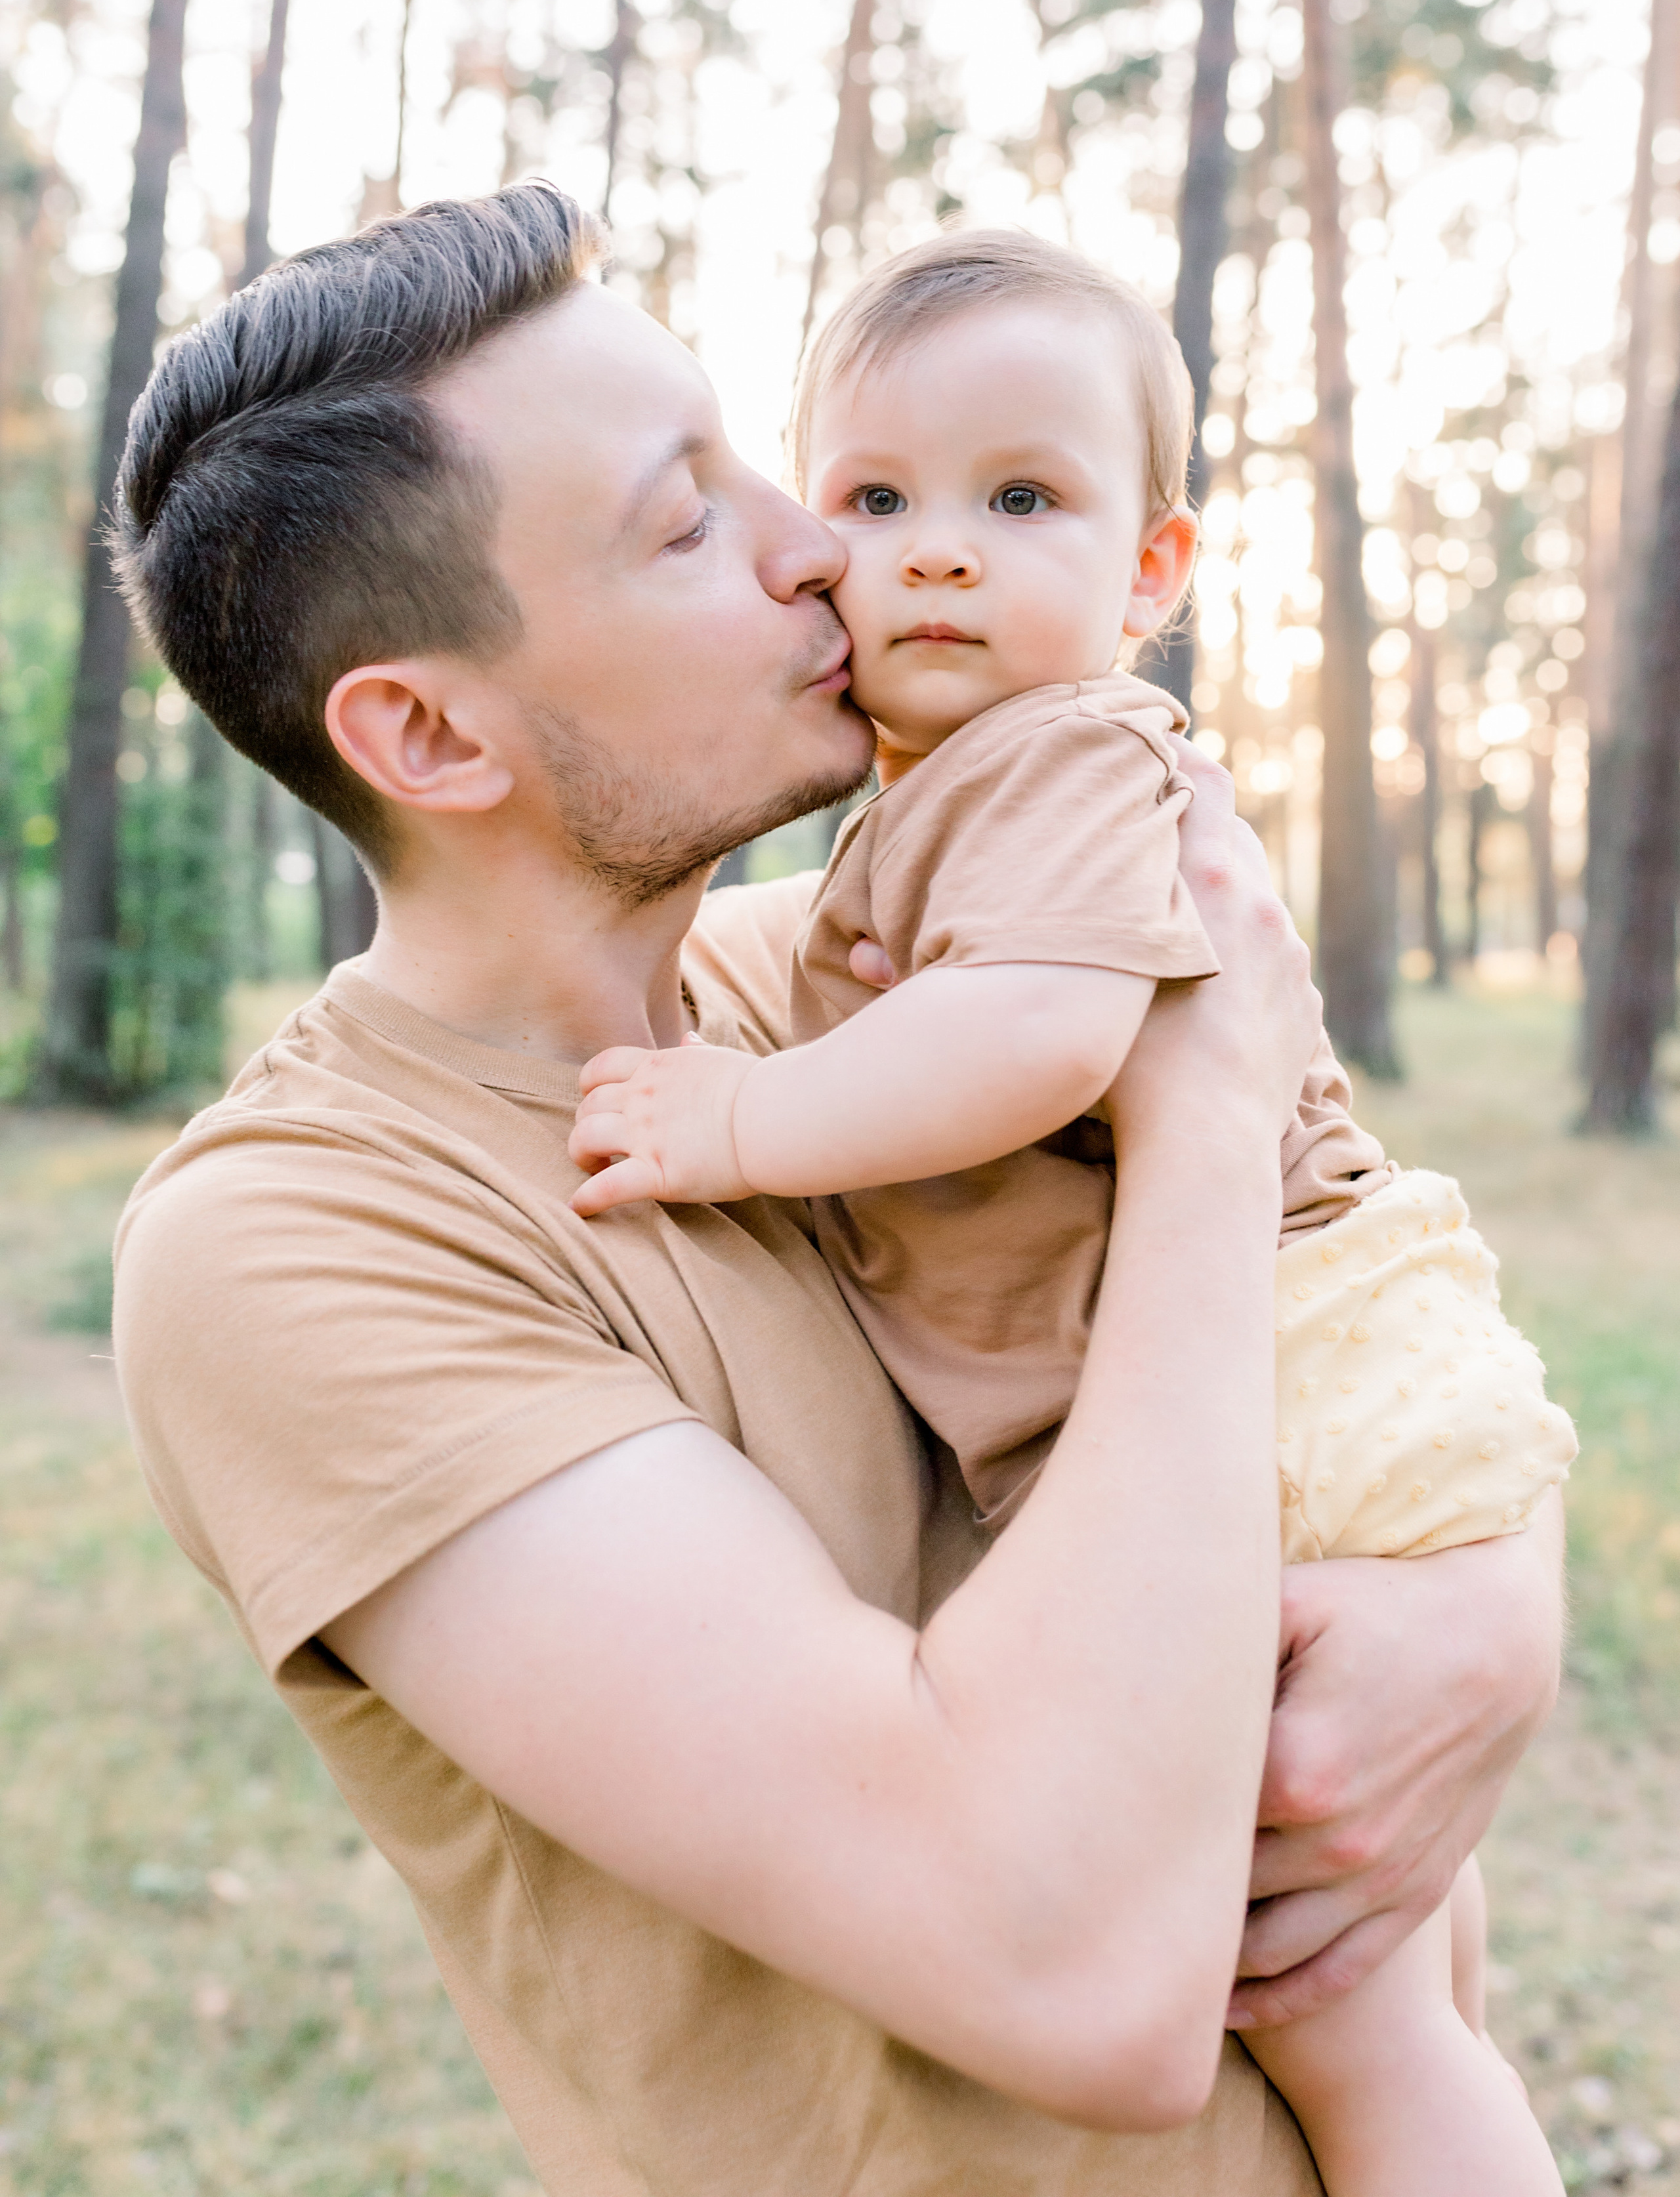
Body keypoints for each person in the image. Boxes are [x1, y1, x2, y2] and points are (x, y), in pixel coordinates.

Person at [109, 186, 1563, 2197]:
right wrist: (1206, 1120)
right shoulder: (303, 1242)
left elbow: (1363, 1317)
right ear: (429, 731)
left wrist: (1495, 1602)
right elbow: (1080, 1983)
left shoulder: (861, 990)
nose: (826, 551)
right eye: (689, 519)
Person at [567, 228, 1573, 2194]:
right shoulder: (953, 790)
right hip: (1318, 1345)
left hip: (1289, 1360)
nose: (937, 549)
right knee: (1404, 1963)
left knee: (1355, 2034)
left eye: (1020, 499)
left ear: (1152, 572)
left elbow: (1032, 1038)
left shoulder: (1061, 752)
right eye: (875, 499)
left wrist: (745, 1121)